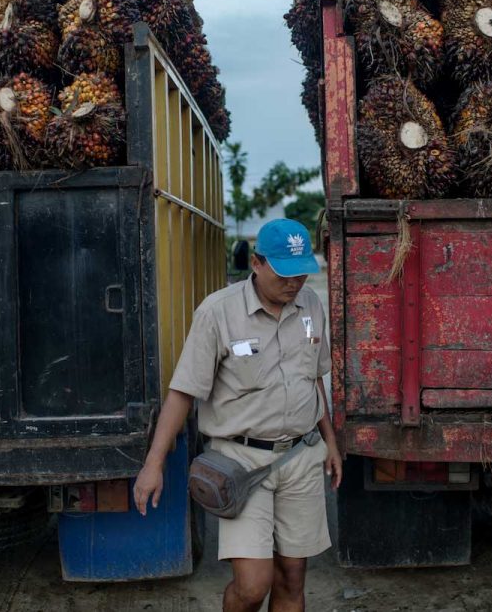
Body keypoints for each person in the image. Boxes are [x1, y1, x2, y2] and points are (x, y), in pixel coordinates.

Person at [133, 218, 343, 612]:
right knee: (252, 585)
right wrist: (153, 463)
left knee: (293, 576)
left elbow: (313, 379)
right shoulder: (218, 313)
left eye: (301, 273)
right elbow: (182, 393)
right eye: (284, 273)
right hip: (240, 463)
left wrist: (330, 442)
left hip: (300, 457)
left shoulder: (311, 304)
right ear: (257, 263)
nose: (294, 283)